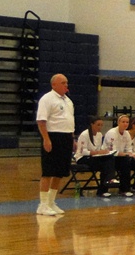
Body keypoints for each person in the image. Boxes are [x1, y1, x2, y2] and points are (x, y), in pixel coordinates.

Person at [36, 73, 75, 216]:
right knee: (48, 171)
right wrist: (46, 139)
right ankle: (43, 204)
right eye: (63, 83)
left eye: (66, 82)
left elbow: (68, 121)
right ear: (54, 85)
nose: (66, 85)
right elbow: (41, 121)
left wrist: (72, 139)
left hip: (66, 137)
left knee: (59, 172)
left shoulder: (68, 101)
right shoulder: (47, 99)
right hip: (53, 136)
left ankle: (51, 202)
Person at [74, 115, 117, 198]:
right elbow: (83, 152)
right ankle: (105, 186)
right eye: (98, 125)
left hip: (94, 157)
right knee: (105, 165)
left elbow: (98, 148)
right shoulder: (84, 134)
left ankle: (105, 186)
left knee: (110, 159)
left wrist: (104, 152)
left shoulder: (99, 135)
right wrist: (97, 152)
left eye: (101, 125)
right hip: (82, 158)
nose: (100, 127)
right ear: (92, 124)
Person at [104, 114, 135, 197]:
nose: (125, 124)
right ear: (118, 123)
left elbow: (129, 149)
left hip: (121, 158)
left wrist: (131, 154)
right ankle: (121, 188)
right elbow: (113, 151)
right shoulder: (112, 133)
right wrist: (127, 154)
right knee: (126, 162)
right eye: (123, 122)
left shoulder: (127, 134)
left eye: (127, 122)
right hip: (109, 157)